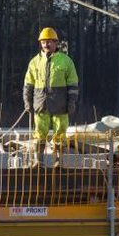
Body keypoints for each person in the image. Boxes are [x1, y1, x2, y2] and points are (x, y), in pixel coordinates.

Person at [23, 27, 79, 168]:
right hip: (41, 105)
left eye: (49, 42)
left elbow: (73, 85)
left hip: (61, 106)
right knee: (39, 134)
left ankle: (58, 162)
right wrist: (27, 102)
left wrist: (72, 102)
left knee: (60, 134)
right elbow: (28, 85)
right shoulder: (34, 62)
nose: (46, 45)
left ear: (56, 43)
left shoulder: (66, 62)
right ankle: (38, 161)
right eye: (43, 42)